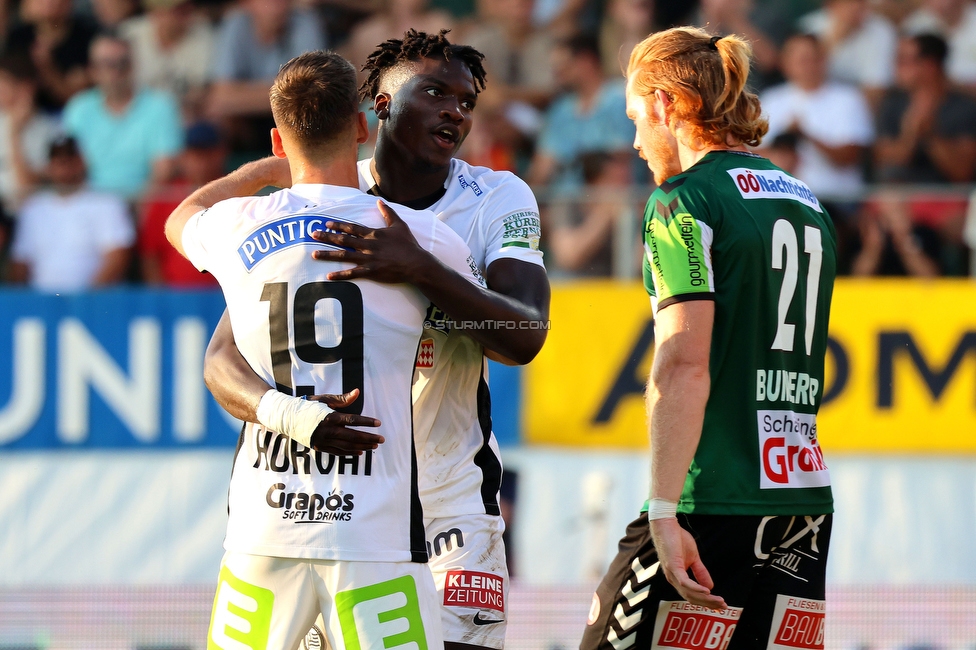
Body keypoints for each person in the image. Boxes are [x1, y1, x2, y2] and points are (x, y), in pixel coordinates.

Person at [204, 29, 551, 650]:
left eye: (467, 101)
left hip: (450, 498)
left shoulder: (496, 196)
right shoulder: (325, 196)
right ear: (380, 108)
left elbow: (524, 336)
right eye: (435, 92)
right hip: (332, 504)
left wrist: (417, 268)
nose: (456, 110)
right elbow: (225, 356)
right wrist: (293, 417)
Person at [580, 27, 837, 649]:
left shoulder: (682, 202)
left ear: (667, 106)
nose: (637, 141)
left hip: (708, 499)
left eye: (637, 118)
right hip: (798, 505)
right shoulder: (806, 201)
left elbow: (683, 365)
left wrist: (664, 511)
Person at [62, 34, 182, 200]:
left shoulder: (160, 106)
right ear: (92, 70)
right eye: (108, 64)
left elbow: (164, 170)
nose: (116, 71)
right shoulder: (79, 108)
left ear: (133, 66)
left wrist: (138, 208)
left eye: (123, 63)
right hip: (89, 202)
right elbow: (69, 166)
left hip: (142, 204)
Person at [9, 136, 134, 292]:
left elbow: (117, 257)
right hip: (42, 303)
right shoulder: (33, 208)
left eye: (70, 160)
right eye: (58, 161)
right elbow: (21, 262)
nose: (65, 166)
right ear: (49, 167)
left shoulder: (106, 203)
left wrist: (82, 300)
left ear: (82, 162)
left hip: (94, 302)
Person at [760, 33, 873, 199]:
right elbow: (751, 154)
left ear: (824, 60)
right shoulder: (771, 100)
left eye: (815, 58)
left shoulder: (848, 98)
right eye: (802, 60)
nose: (809, 66)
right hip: (780, 198)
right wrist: (783, 146)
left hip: (834, 200)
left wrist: (806, 135)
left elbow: (850, 157)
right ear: (786, 63)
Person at [528, 33, 636, 191]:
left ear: (586, 61)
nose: (558, 73)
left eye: (564, 66)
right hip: (565, 203)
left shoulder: (621, 99)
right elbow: (542, 169)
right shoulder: (560, 110)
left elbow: (620, 164)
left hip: (613, 196)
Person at [139, 121, 225, 286]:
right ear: (184, 156)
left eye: (207, 153)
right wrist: (162, 298)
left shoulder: (240, 193)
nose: (200, 161)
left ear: (220, 153)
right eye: (194, 154)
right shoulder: (166, 196)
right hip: (176, 297)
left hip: (225, 299)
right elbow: (150, 254)